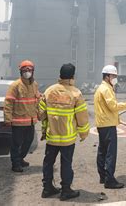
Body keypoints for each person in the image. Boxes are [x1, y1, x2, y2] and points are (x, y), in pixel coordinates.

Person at [38, 63, 90, 201]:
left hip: (52, 136)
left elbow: (40, 114)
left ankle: (47, 188)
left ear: (60, 75)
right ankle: (66, 190)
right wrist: (84, 134)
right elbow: (82, 117)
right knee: (66, 163)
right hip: (68, 139)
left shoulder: (49, 91)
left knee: (48, 162)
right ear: (72, 76)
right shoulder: (75, 93)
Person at [94, 65, 126, 189]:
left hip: (102, 124)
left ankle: (103, 176)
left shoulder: (101, 88)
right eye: (114, 76)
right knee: (110, 153)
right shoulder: (106, 89)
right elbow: (113, 106)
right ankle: (109, 180)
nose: (115, 78)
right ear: (107, 76)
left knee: (102, 151)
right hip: (108, 125)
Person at [4, 60, 40, 172]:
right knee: (16, 143)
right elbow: (8, 102)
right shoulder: (15, 85)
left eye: (29, 70)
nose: (27, 72)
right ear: (21, 71)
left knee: (28, 141)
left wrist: (39, 113)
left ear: (33, 71)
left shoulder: (34, 84)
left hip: (30, 120)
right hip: (18, 121)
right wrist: (8, 118)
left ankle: (20, 158)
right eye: (25, 70)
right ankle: (15, 163)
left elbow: (36, 100)